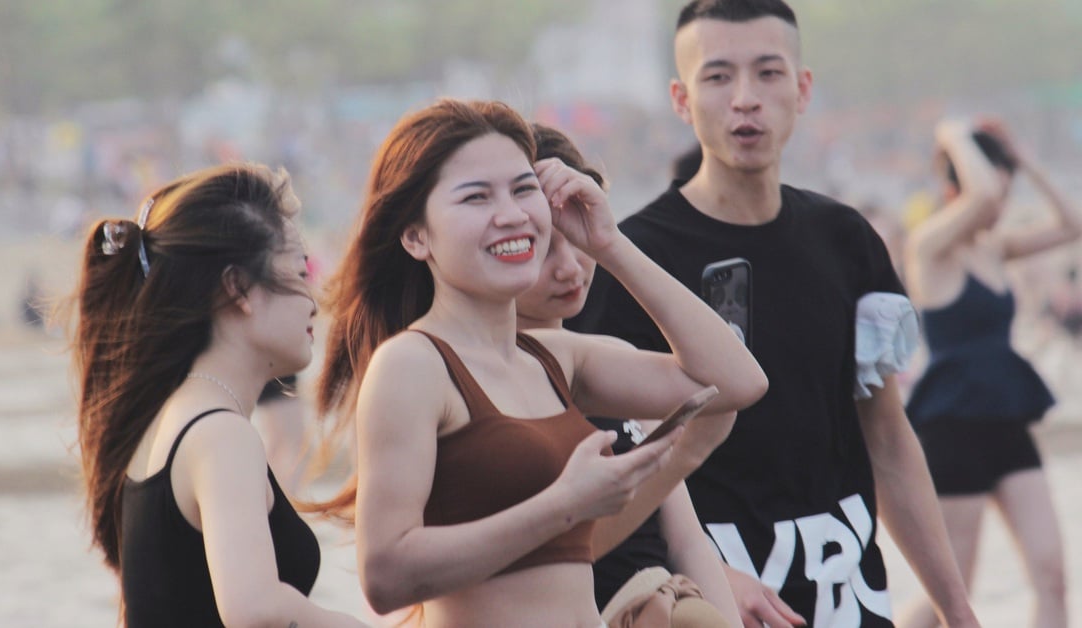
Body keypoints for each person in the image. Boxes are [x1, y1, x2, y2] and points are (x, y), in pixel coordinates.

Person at [568, 2, 980, 626]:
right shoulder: (632, 260)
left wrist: (954, 606)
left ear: (802, 87)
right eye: (717, 77)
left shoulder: (847, 239)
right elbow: (604, 468)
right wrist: (702, 566)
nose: (745, 99)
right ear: (681, 98)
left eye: (767, 73)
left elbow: (888, 439)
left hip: (848, 590)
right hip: (709, 600)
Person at [314, 98, 767, 627]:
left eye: (522, 189)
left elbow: (737, 382)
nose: (510, 214)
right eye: (476, 197)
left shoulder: (555, 356)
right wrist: (565, 506)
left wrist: (610, 243)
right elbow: (386, 576)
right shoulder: (413, 365)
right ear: (416, 236)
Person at [65, 163, 365, 627]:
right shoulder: (220, 434)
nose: (315, 298)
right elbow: (255, 609)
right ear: (239, 287)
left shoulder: (171, 418)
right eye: (300, 270)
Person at [521, 123, 739, 628]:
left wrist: (612, 245)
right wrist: (681, 455)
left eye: (576, 237)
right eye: (539, 244)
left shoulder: (612, 360)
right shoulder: (488, 376)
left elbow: (687, 540)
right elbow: (556, 559)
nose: (569, 267)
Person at [901, 118, 1079, 628]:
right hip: (953, 426)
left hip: (1007, 419)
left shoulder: (994, 247)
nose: (999, 204)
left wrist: (1022, 159)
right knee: (952, 593)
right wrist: (953, 133)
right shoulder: (930, 247)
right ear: (954, 187)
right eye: (996, 190)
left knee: (1052, 573)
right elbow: (978, 198)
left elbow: (1073, 224)